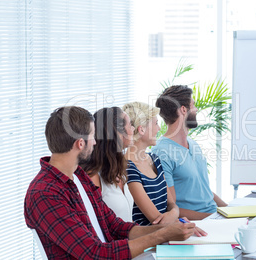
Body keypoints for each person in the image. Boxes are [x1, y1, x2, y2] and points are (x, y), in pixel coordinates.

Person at [24, 106, 195, 259]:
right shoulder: (45, 193)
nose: (95, 142)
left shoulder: (78, 177)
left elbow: (116, 226)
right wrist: (162, 235)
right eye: (92, 136)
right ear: (80, 144)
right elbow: (95, 253)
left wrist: (168, 230)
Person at [152, 85, 228, 220]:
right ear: (183, 109)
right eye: (193, 105)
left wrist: (230, 212)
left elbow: (203, 191)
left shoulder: (193, 144)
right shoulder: (161, 152)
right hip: (197, 223)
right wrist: (212, 217)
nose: (196, 109)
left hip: (214, 217)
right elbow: (170, 207)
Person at [122, 102, 179, 226]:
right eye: (156, 123)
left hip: (168, 231)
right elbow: (156, 220)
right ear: (141, 129)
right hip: (151, 239)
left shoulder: (154, 159)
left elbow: (171, 204)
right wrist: (176, 215)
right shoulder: (128, 168)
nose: (159, 128)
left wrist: (174, 213)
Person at [81, 107, 134, 222]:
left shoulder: (118, 169)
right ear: (117, 133)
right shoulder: (93, 176)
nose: (133, 129)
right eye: (130, 126)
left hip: (131, 238)